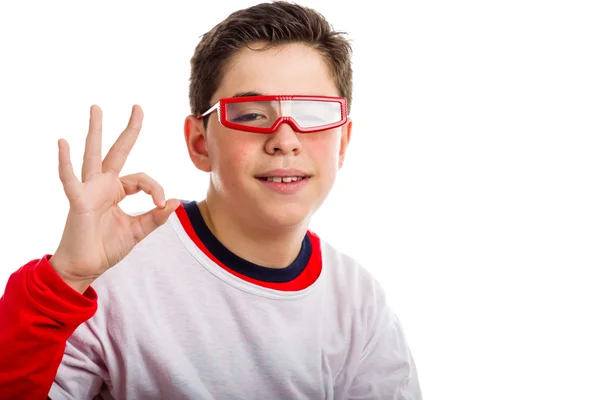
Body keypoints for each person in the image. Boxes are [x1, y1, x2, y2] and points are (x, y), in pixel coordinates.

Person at [0, 2, 421, 399]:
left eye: (312, 114)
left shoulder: (359, 306)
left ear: (342, 141)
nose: (285, 140)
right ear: (200, 143)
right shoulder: (111, 278)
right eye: (252, 113)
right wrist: (65, 281)